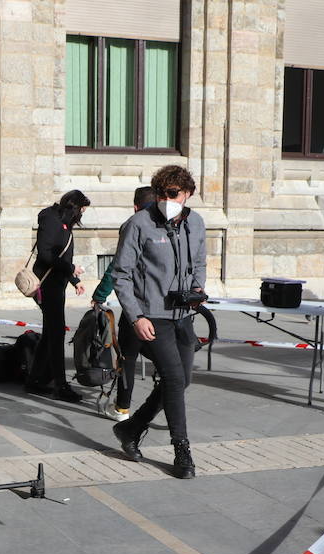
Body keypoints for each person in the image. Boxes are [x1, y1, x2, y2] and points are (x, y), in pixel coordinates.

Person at [109, 165, 206, 478]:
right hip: (153, 316)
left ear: (188, 193)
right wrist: (136, 316)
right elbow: (120, 275)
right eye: (162, 194)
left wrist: (197, 288)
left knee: (183, 381)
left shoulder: (197, 223)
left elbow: (200, 262)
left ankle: (131, 429)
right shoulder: (139, 224)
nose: (167, 199)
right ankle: (182, 451)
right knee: (175, 380)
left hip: (184, 314)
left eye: (174, 194)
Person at [90, 185, 159, 418]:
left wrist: (100, 295)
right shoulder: (171, 225)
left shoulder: (133, 225)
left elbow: (116, 267)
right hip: (164, 308)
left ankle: (122, 408)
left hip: (136, 307)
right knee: (168, 363)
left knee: (127, 358)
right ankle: (168, 410)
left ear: (135, 206)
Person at [26, 190, 89, 403]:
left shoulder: (63, 221)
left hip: (56, 285)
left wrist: (73, 280)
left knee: (51, 332)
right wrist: (71, 268)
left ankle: (35, 380)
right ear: (74, 207)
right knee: (56, 333)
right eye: (82, 209)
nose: (82, 214)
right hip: (47, 287)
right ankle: (60, 386)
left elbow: (60, 255)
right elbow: (46, 254)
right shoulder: (52, 220)